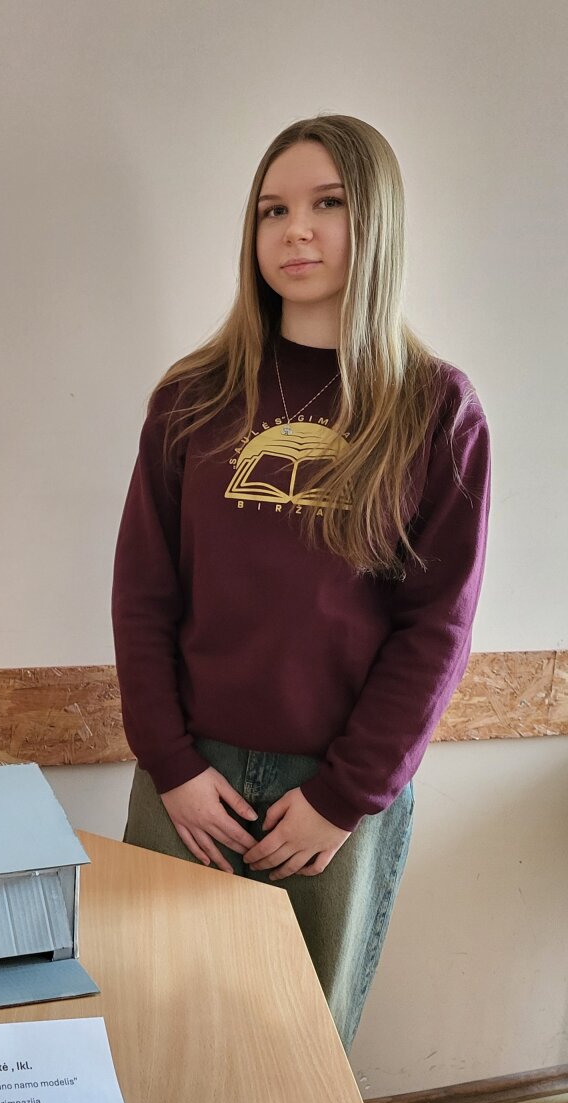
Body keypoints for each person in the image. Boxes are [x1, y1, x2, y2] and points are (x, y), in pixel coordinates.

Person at [111, 115, 491, 1049]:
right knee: (154, 1043)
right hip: (187, 783)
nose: (297, 231)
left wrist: (343, 796)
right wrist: (172, 766)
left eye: (328, 203)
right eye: (273, 210)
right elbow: (144, 596)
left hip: (332, 797)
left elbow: (436, 630)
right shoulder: (193, 399)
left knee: (296, 1060)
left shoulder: (434, 410)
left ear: (378, 222)